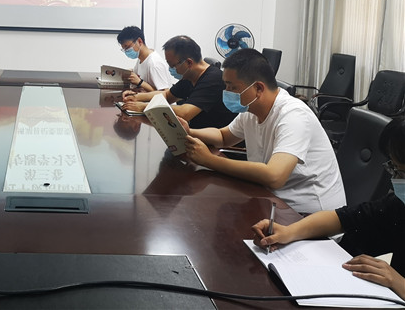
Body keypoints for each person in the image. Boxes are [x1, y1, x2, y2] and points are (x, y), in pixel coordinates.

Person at [251, 117, 405, 299]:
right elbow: (341, 218)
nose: (396, 179)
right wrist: (288, 232)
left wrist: (398, 282)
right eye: (394, 169)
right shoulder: (397, 205)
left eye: (401, 172)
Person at [182, 48, 346, 214]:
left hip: (308, 213)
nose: (226, 93)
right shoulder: (251, 110)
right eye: (226, 86)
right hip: (273, 198)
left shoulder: (294, 115)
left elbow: (275, 176)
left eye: (232, 87)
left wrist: (209, 160)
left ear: (258, 88)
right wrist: (190, 131)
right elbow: (223, 137)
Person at [120, 35, 236, 129]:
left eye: (173, 66)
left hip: (215, 143)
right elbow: (167, 95)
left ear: (189, 63)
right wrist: (136, 97)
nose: (171, 69)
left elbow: (185, 113)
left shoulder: (213, 79)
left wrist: (143, 107)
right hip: (193, 132)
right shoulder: (189, 76)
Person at [116, 26, 173, 92]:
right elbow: (137, 75)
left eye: (127, 47)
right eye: (124, 49)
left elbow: (165, 93)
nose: (126, 51)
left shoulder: (154, 63)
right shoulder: (141, 58)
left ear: (139, 41)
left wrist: (140, 82)